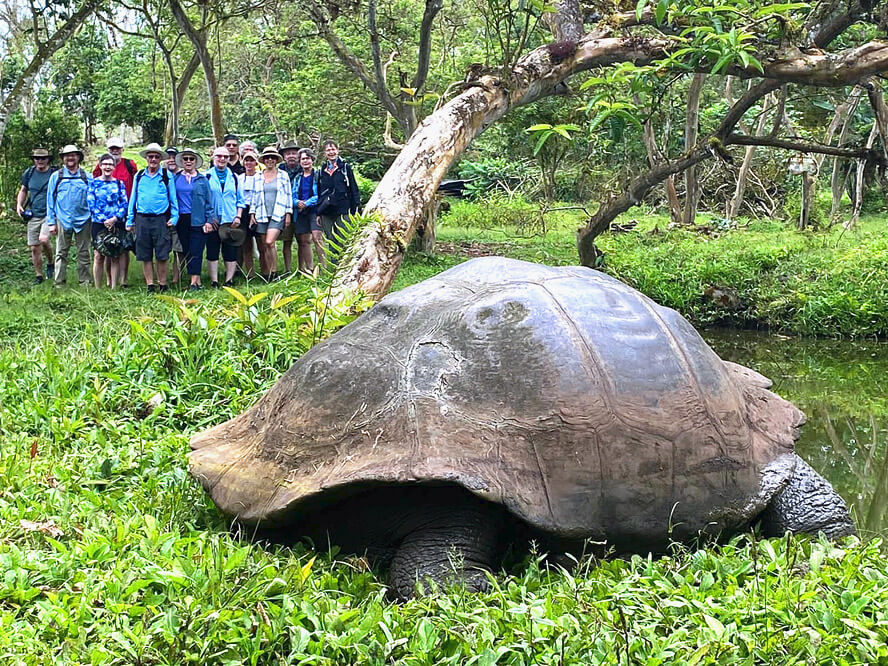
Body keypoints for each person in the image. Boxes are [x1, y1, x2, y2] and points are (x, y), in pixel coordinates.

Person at [127, 142, 179, 293]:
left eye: (156, 157)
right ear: (147, 158)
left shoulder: (166, 175)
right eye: (151, 156)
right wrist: (130, 219)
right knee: (145, 254)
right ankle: (150, 284)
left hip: (161, 219)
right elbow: (133, 199)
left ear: (160, 159)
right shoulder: (139, 176)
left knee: (162, 254)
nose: (153, 159)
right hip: (142, 218)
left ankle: (162, 283)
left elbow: (173, 198)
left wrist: (174, 217)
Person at [45, 145, 92, 287]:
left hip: (83, 219)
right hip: (62, 220)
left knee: (84, 252)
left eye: (73, 155)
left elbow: (94, 198)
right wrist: (51, 222)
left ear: (78, 157)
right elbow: (50, 200)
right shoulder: (56, 177)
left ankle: (85, 281)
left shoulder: (86, 176)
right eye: (67, 155)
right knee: (61, 252)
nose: (70, 158)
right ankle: (59, 282)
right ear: (63, 159)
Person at [95, 137, 138, 287]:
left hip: (124, 211)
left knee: (123, 246)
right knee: (107, 246)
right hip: (104, 214)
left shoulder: (129, 164)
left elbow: (136, 182)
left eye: (117, 149)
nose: (115, 151)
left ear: (122, 150)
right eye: (112, 149)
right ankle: (108, 279)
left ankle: (123, 279)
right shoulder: (99, 167)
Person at [173, 148, 215, 290]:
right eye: (186, 159)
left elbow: (209, 202)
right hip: (181, 219)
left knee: (197, 249)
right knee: (187, 250)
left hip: (198, 219)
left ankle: (194, 281)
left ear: (196, 162)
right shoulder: (176, 178)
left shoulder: (202, 180)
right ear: (182, 161)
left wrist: (209, 220)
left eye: (191, 159)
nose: (189, 161)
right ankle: (195, 281)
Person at [252, 145, 292, 281]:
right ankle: (268, 272)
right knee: (264, 245)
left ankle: (274, 272)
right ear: (263, 160)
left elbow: (288, 195)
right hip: (261, 213)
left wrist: (288, 213)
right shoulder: (258, 176)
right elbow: (254, 196)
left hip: (278, 212)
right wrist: (252, 214)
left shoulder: (283, 175)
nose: (270, 160)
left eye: (272, 158)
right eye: (267, 158)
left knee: (270, 242)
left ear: (276, 160)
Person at [87, 153, 128, 288]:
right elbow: (91, 204)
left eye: (110, 164)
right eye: (105, 164)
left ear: (114, 166)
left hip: (116, 223)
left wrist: (114, 219)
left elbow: (124, 203)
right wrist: (105, 220)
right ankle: (98, 287)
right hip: (99, 223)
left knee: (115, 254)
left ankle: (114, 286)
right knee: (99, 255)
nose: (107, 167)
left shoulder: (118, 183)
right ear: (100, 166)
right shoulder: (93, 183)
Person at [206, 146, 245, 286]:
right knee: (212, 249)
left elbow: (240, 200)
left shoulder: (234, 177)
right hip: (214, 220)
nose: (222, 159)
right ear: (213, 158)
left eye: (225, 157)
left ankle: (229, 279)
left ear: (229, 159)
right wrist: (209, 219)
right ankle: (214, 280)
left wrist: (238, 217)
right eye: (219, 156)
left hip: (230, 220)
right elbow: (203, 200)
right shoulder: (206, 176)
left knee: (230, 250)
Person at [16, 147, 56, 284]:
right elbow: (23, 190)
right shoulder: (29, 173)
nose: (40, 161)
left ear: (48, 160)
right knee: (34, 247)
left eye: (43, 158)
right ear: (33, 160)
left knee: (44, 239)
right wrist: (19, 205)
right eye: (37, 158)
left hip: (49, 214)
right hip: (34, 214)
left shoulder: (54, 173)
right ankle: (39, 275)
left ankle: (51, 262)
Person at [317, 140, 361, 249]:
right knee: (331, 240)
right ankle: (335, 265)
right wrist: (318, 212)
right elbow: (319, 192)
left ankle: (346, 264)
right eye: (328, 150)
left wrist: (356, 209)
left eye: (333, 149)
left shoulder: (345, 168)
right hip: (327, 210)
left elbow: (353, 189)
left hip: (343, 209)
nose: (331, 152)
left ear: (337, 150)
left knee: (344, 239)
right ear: (324, 153)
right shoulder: (322, 170)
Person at [293, 148, 326, 274]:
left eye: (307, 158)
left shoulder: (318, 175)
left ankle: (323, 268)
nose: (305, 161)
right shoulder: (297, 178)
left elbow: (321, 193)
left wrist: (307, 203)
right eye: (302, 159)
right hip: (300, 211)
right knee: (304, 241)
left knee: (317, 237)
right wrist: (297, 203)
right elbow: (292, 194)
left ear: (312, 159)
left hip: (315, 210)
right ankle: (310, 268)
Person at [237, 149, 261, 279]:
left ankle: (265, 271)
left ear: (256, 162)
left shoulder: (260, 177)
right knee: (246, 243)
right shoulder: (239, 178)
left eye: (252, 160)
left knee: (261, 242)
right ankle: (250, 273)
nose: (249, 163)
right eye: (246, 160)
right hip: (243, 210)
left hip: (258, 210)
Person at [277, 141, 300, 274]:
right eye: (288, 153)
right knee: (287, 240)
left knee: (303, 240)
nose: (291, 156)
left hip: (301, 209)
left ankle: (303, 268)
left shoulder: (303, 168)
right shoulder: (279, 170)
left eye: (293, 153)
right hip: (284, 208)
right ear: (284, 156)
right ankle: (287, 269)